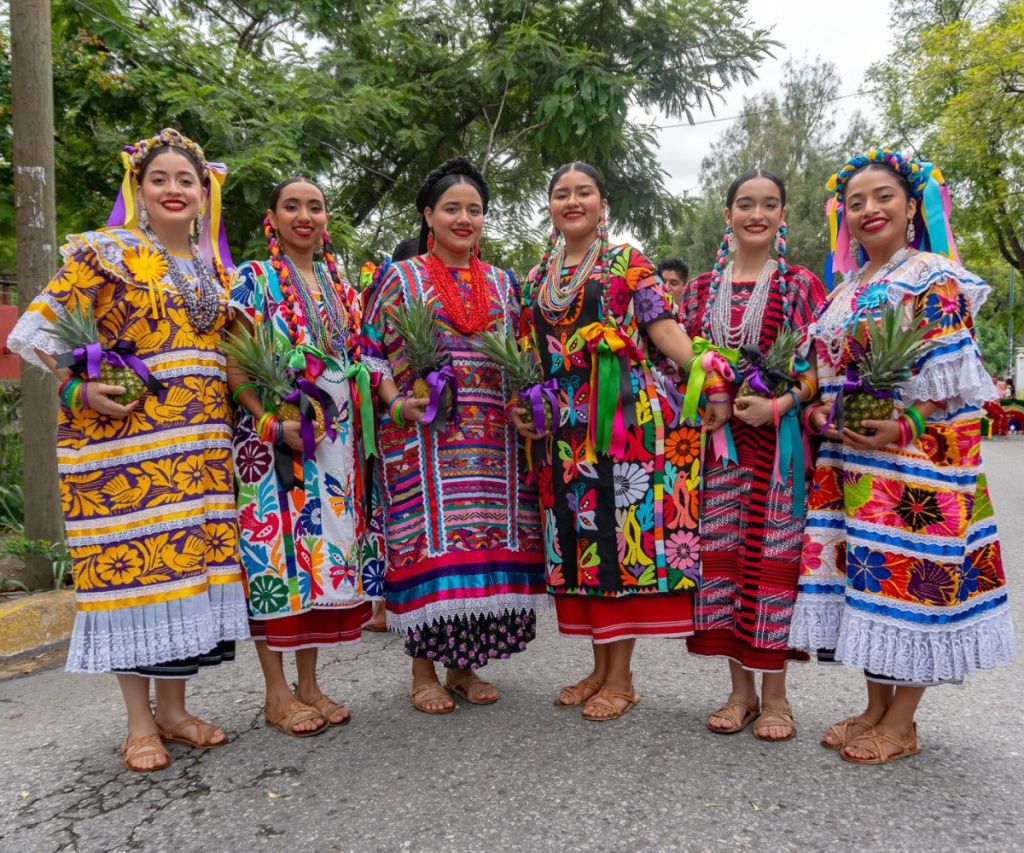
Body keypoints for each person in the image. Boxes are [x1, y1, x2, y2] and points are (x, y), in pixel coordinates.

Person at [7, 128, 249, 771]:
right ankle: (139, 724)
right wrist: (78, 390)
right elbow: (38, 331)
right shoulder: (105, 252)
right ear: (138, 189)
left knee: (185, 576)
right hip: (126, 452)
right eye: (160, 179)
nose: (174, 189)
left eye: (186, 180)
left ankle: (175, 711)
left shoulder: (215, 272)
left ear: (205, 195)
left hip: (198, 453)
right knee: (137, 575)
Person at [790, 148, 1016, 764]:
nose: (868, 210)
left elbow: (964, 394)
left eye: (883, 197)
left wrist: (903, 426)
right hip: (851, 463)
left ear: (912, 206)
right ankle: (874, 706)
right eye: (856, 202)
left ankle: (904, 722)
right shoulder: (846, 291)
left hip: (915, 470)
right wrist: (817, 414)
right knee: (864, 583)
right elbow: (823, 375)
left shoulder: (934, 277)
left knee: (913, 584)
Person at [519, 162, 731, 720]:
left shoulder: (627, 262)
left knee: (617, 539)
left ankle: (622, 678)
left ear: (601, 204)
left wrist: (704, 375)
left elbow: (663, 329)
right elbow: (526, 350)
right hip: (562, 428)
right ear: (550, 207)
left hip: (621, 422)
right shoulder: (539, 273)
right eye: (561, 193)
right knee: (581, 544)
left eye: (583, 192)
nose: (572, 201)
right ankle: (597, 667)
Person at [362, 157, 546, 714]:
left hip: (492, 439)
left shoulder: (504, 283)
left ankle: (463, 669)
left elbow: (522, 355)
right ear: (429, 215)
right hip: (423, 438)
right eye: (452, 209)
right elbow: (368, 353)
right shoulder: (399, 277)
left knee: (479, 547)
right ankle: (423, 674)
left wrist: (526, 405)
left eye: (474, 210)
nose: (464, 219)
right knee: (429, 549)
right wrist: (397, 402)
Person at [678, 169, 825, 741]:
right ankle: (739, 692)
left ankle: (778, 698)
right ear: (728, 213)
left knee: (772, 566)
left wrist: (780, 404)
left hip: (777, 449)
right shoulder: (695, 293)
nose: (756, 213)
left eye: (769, 204)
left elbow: (818, 373)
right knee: (722, 564)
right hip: (716, 452)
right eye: (745, 204)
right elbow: (681, 366)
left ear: (783, 215)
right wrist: (708, 395)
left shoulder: (799, 286)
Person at [227, 176, 377, 736]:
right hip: (273, 446)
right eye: (292, 206)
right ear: (273, 217)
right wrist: (269, 423)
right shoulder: (253, 279)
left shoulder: (340, 282)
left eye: (315, 207)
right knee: (277, 559)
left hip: (333, 445)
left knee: (321, 562)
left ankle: (310, 684)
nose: (305, 216)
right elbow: (237, 363)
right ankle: (275, 693)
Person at [362, 236, 420, 634]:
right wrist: (394, 401)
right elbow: (369, 352)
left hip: (436, 424)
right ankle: (383, 604)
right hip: (392, 426)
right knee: (391, 517)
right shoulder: (387, 295)